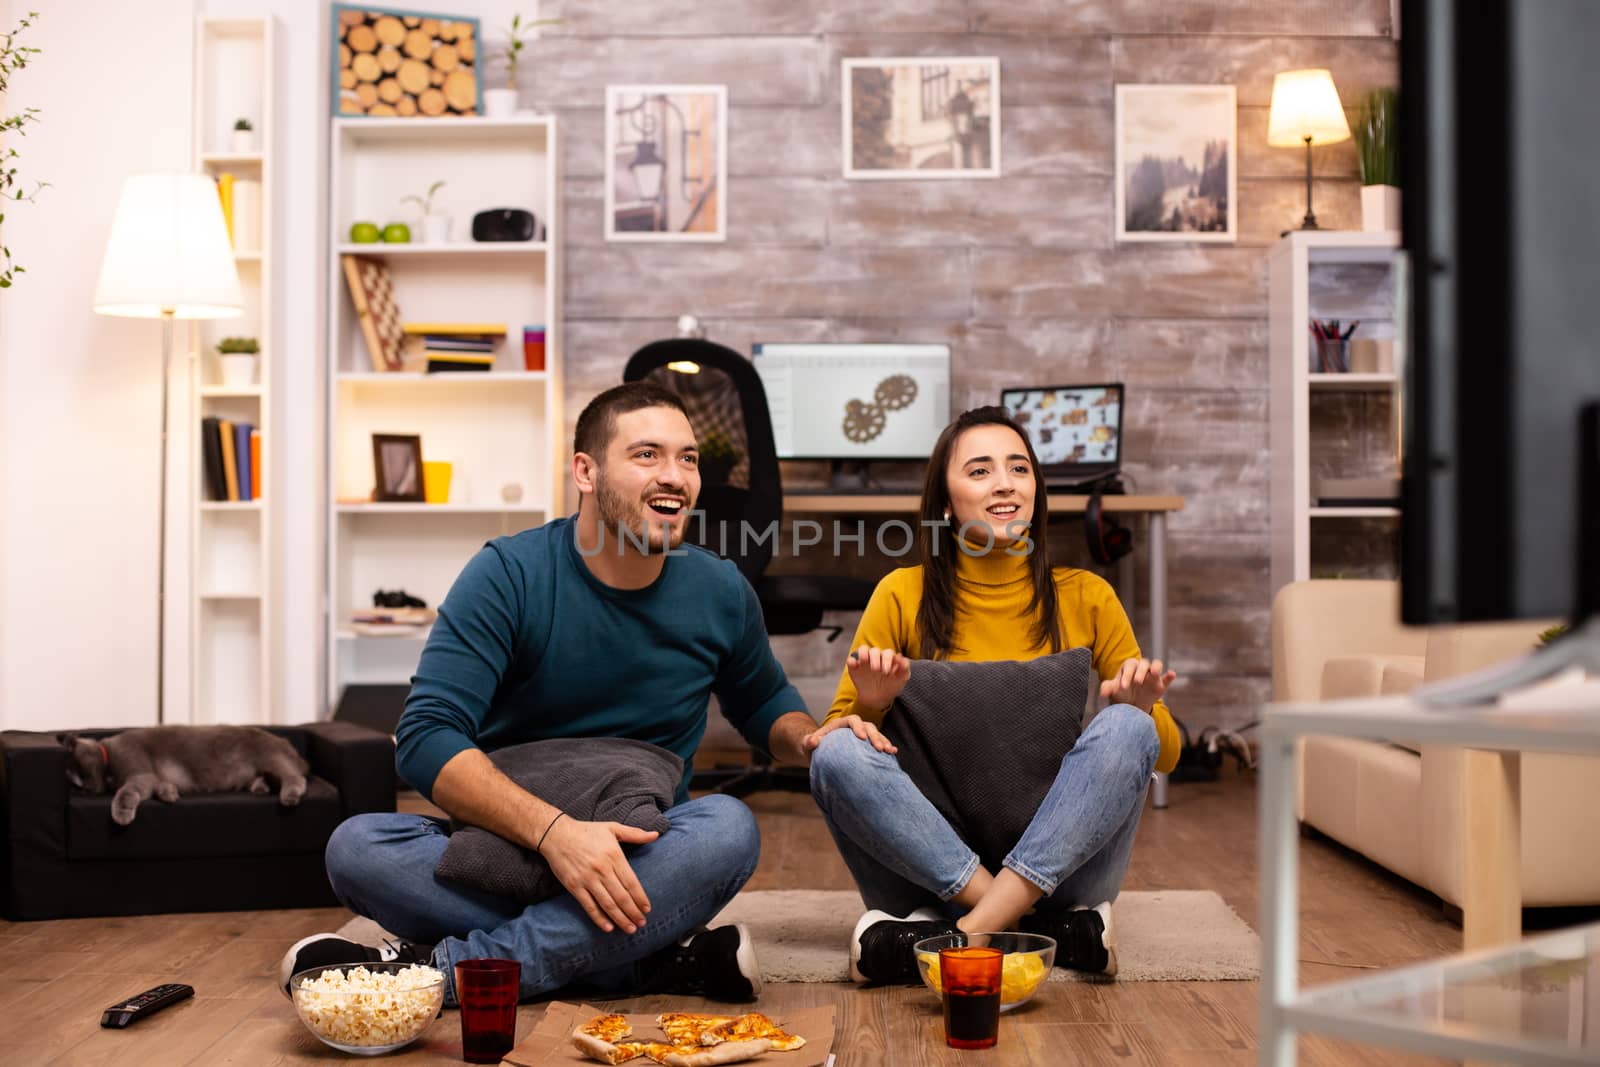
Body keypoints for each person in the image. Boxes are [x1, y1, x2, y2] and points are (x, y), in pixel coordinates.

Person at [280, 382, 835, 1006]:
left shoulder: (720, 589)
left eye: (688, 458)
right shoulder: (508, 573)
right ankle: (641, 959)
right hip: (505, 847)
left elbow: (765, 705)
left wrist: (814, 740)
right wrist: (556, 835)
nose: (675, 476)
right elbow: (426, 736)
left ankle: (441, 972)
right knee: (357, 849)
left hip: (638, 852)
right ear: (586, 472)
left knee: (728, 827)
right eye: (647, 455)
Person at [809, 405, 1182, 984]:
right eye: (980, 471)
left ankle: (960, 936)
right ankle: (1023, 924)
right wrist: (873, 702)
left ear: (1036, 486)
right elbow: (836, 743)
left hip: (1063, 871)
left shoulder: (1087, 595)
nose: (1005, 483)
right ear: (944, 502)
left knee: (1129, 726)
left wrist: (1142, 710)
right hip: (931, 870)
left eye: (1019, 468)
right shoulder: (901, 593)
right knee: (835, 754)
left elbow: (1169, 755)